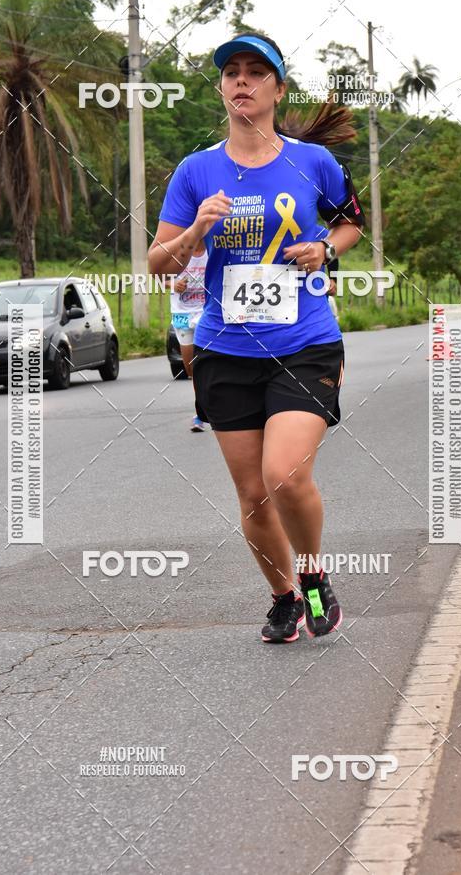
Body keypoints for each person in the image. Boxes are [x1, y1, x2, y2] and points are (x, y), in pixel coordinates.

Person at [148, 33, 365, 643]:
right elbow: (159, 264)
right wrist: (195, 231)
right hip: (224, 350)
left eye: (255, 71)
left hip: (305, 343)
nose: (241, 80)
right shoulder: (196, 171)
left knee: (283, 475)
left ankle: (313, 573)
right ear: (222, 88)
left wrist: (324, 248)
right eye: (231, 72)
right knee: (252, 496)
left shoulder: (312, 163)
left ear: (278, 89)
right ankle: (284, 597)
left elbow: (351, 223)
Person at [168, 241, 208, 430]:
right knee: (191, 368)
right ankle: (201, 407)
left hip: (206, 312)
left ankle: (201, 414)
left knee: (209, 363)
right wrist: (172, 284)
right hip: (182, 314)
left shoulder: (213, 247)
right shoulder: (178, 252)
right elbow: (157, 276)